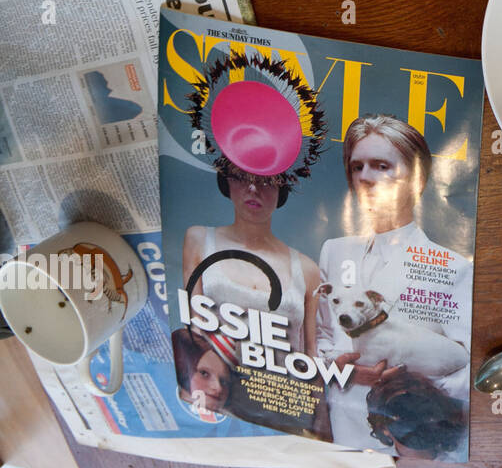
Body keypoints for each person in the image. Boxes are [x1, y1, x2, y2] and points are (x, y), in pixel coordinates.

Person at [315, 115, 472, 448]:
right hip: (340, 435)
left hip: (414, 442)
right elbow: (320, 341)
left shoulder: (453, 266)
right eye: (357, 167)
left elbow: (468, 368)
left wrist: (412, 387)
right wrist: (340, 369)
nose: (366, 178)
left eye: (380, 166)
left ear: (416, 178)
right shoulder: (333, 251)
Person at [182, 171, 324, 355]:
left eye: (267, 181)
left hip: (284, 382)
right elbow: (194, 335)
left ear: (281, 190)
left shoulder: (307, 269)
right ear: (227, 182)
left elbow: (310, 354)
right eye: (241, 177)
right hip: (218, 380)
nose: (253, 188)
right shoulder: (199, 240)